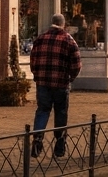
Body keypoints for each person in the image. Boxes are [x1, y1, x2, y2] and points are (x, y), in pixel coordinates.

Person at [30, 13, 82, 158]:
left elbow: (33, 60)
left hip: (43, 83)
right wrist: (70, 77)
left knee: (42, 110)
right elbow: (77, 64)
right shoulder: (68, 40)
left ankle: (37, 140)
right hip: (60, 83)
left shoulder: (40, 39)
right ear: (63, 24)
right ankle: (59, 146)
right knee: (61, 112)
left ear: (52, 22)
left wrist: (37, 75)